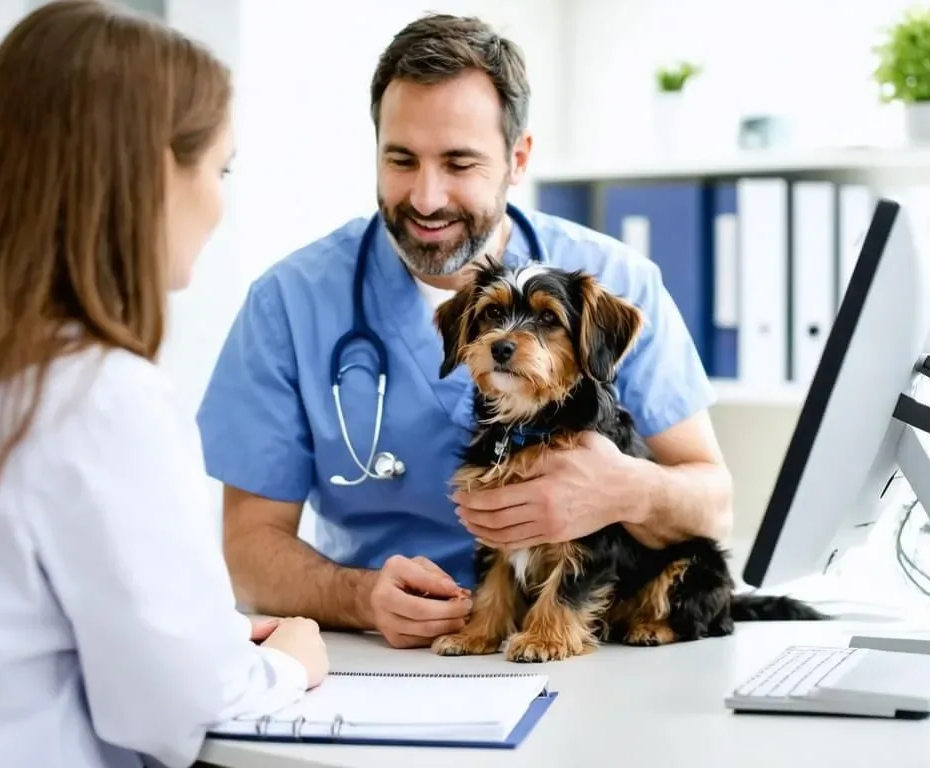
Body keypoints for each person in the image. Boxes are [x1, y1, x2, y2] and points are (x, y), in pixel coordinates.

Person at [0, 3, 327, 767]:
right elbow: (177, 706)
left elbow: (16, 632)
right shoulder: (100, 396)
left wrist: (206, 639)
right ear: (152, 177)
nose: (219, 203)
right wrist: (288, 664)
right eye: (219, 169)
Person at [198, 13, 733, 650]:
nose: (427, 198)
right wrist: (357, 595)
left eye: (459, 163)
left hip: (590, 649)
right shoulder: (288, 304)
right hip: (378, 652)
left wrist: (629, 491)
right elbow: (247, 553)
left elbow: (714, 505)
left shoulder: (618, 283)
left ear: (517, 158)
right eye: (401, 160)